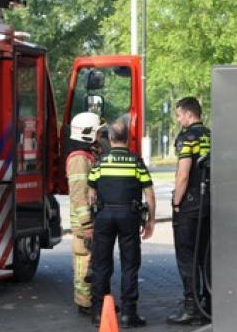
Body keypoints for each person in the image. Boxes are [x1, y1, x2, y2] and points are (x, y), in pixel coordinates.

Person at [88, 119, 156, 328]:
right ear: (127, 138)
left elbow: (91, 194)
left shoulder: (99, 162)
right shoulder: (136, 162)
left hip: (104, 216)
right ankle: (128, 314)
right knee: (130, 265)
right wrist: (151, 220)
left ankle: (100, 312)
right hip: (129, 216)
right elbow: (150, 194)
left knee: (101, 264)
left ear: (110, 138)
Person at [167, 97, 212, 325]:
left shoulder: (187, 138)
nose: (178, 119)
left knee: (187, 257)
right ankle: (210, 304)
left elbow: (183, 174)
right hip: (211, 205)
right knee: (207, 256)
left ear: (188, 114)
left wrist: (177, 202)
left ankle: (191, 307)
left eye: (179, 115)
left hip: (191, 206)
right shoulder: (211, 135)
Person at [66, 112, 103, 316]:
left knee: (92, 260)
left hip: (89, 218)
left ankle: (94, 300)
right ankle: (84, 303)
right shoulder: (79, 159)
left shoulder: (87, 155)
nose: (100, 136)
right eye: (98, 132)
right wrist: (87, 224)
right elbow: (79, 194)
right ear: (88, 133)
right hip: (84, 222)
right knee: (84, 261)